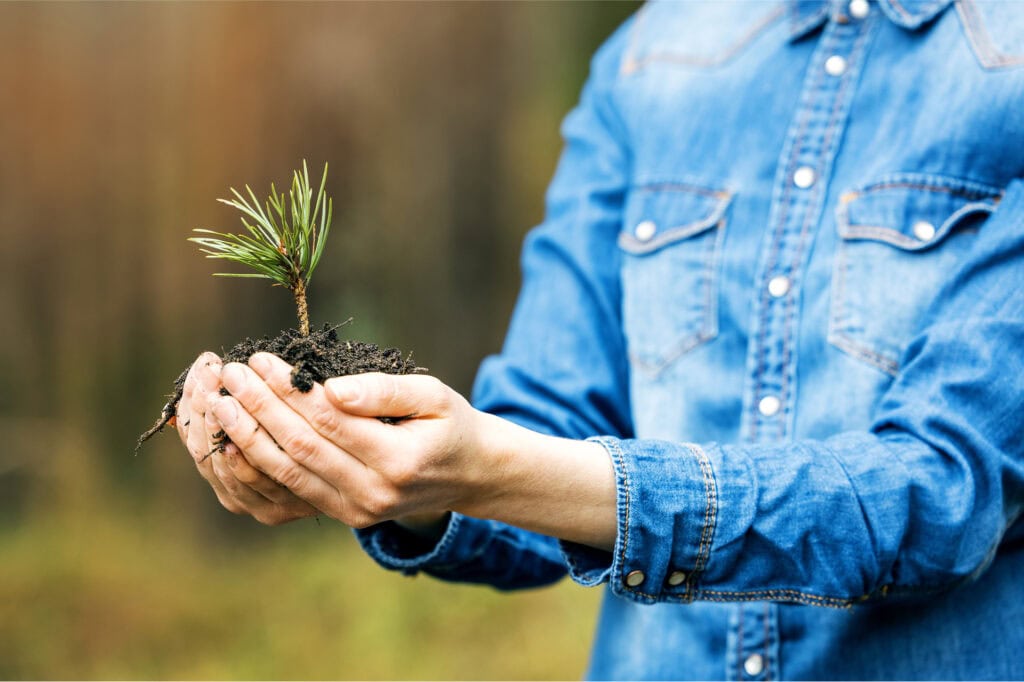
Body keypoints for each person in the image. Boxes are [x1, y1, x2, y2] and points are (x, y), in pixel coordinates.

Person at [175, 0, 1024, 678]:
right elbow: (544, 422)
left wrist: (499, 469)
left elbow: (944, 491)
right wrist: (405, 475)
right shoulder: (647, 61)